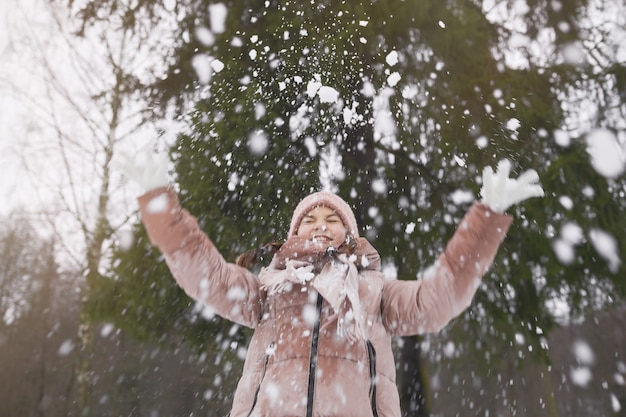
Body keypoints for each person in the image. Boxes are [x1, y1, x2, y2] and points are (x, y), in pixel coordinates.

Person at [117, 148, 543, 417]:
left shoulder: (374, 290)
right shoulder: (270, 289)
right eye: (310, 221)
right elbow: (205, 274)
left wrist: (486, 219)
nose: (320, 227)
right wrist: (160, 206)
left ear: (350, 235)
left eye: (332, 219)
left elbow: (442, 295)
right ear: (294, 235)